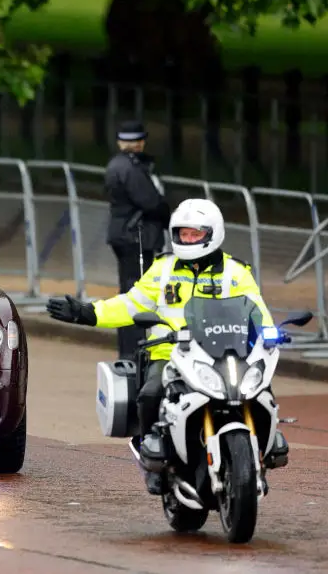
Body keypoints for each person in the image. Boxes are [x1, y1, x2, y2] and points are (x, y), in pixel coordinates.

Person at [45, 198, 289, 494]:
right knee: (151, 393)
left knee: (260, 388)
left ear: (213, 234)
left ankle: (267, 444)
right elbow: (131, 304)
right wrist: (88, 313)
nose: (187, 240)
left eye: (195, 234)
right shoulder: (163, 269)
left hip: (226, 352)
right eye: (183, 234)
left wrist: (268, 332)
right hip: (171, 353)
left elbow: (257, 308)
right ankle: (154, 456)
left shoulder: (235, 272)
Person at [104, 120, 170, 360]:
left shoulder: (117, 164)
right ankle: (134, 352)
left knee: (130, 293)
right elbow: (151, 201)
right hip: (137, 237)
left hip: (126, 235)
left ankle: (130, 350)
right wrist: (167, 213)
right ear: (140, 142)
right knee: (138, 296)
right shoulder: (131, 168)